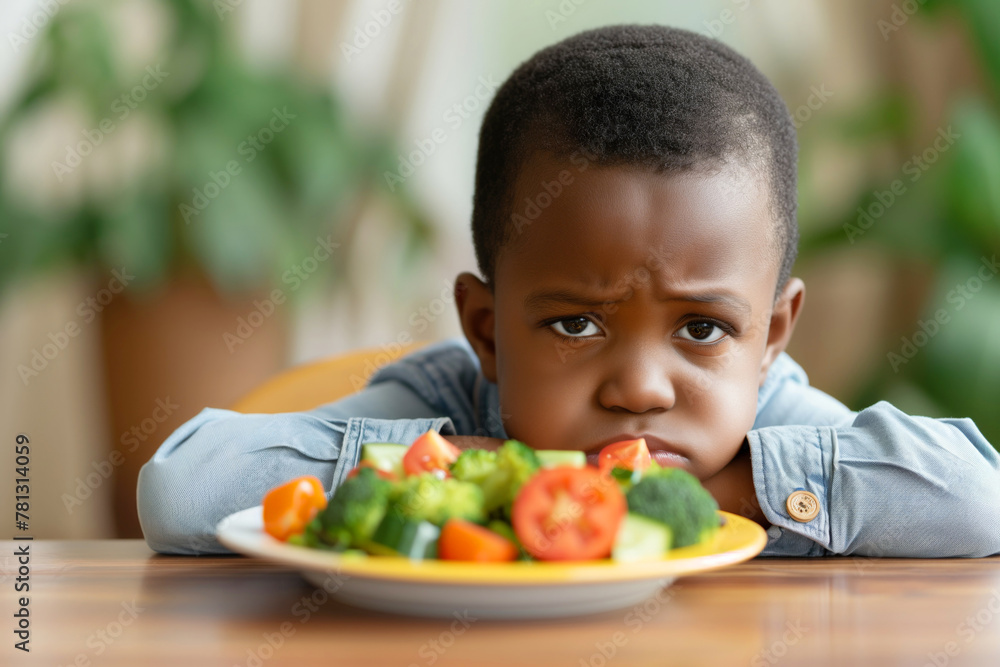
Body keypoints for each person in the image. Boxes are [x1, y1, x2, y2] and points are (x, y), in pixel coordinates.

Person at [137, 24, 1000, 557]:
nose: (642, 388)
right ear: (486, 330)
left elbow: (980, 501)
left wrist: (723, 493)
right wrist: (474, 475)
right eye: (577, 323)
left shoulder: (766, 420)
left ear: (772, 335)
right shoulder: (449, 406)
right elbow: (181, 488)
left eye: (702, 329)